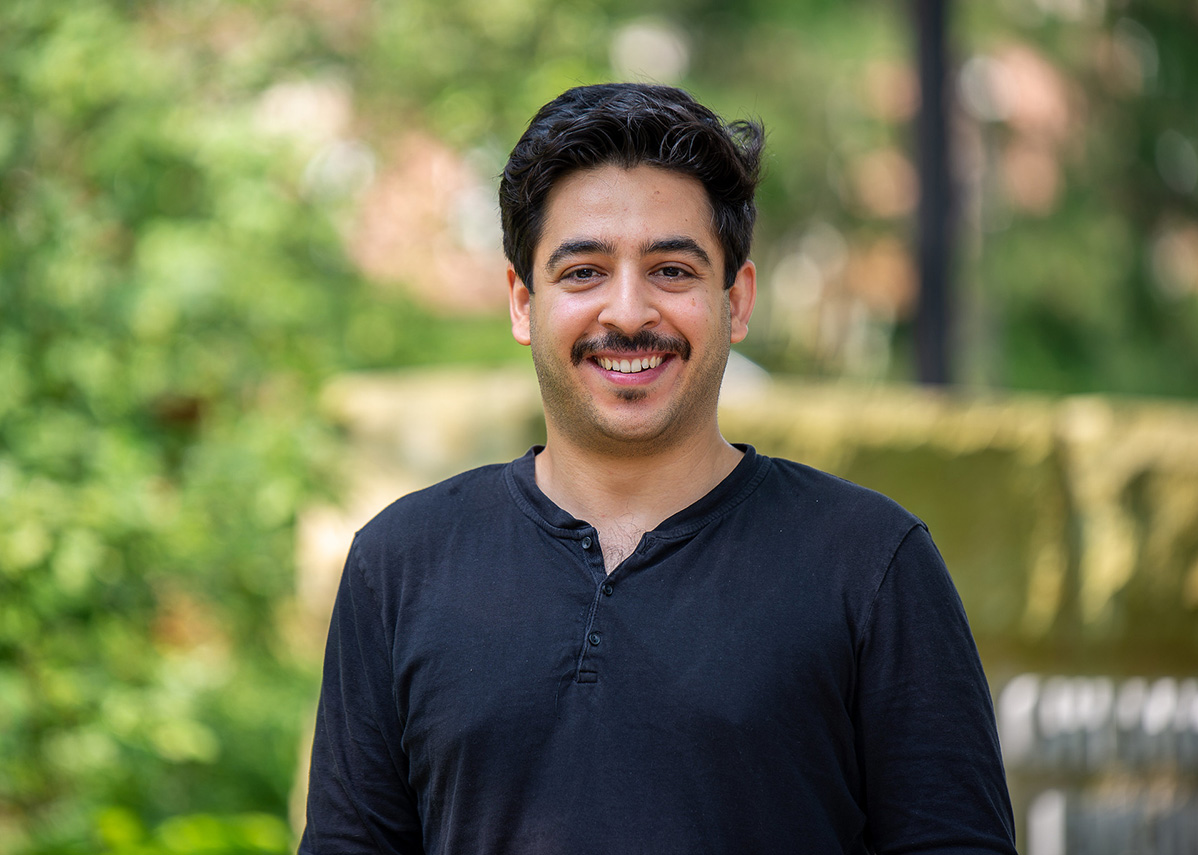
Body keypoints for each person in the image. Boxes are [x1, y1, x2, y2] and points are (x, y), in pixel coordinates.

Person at [299, 83, 1017, 855]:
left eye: (672, 270)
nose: (629, 312)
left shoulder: (872, 564)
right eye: (583, 272)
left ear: (735, 301)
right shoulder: (400, 565)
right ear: (521, 301)